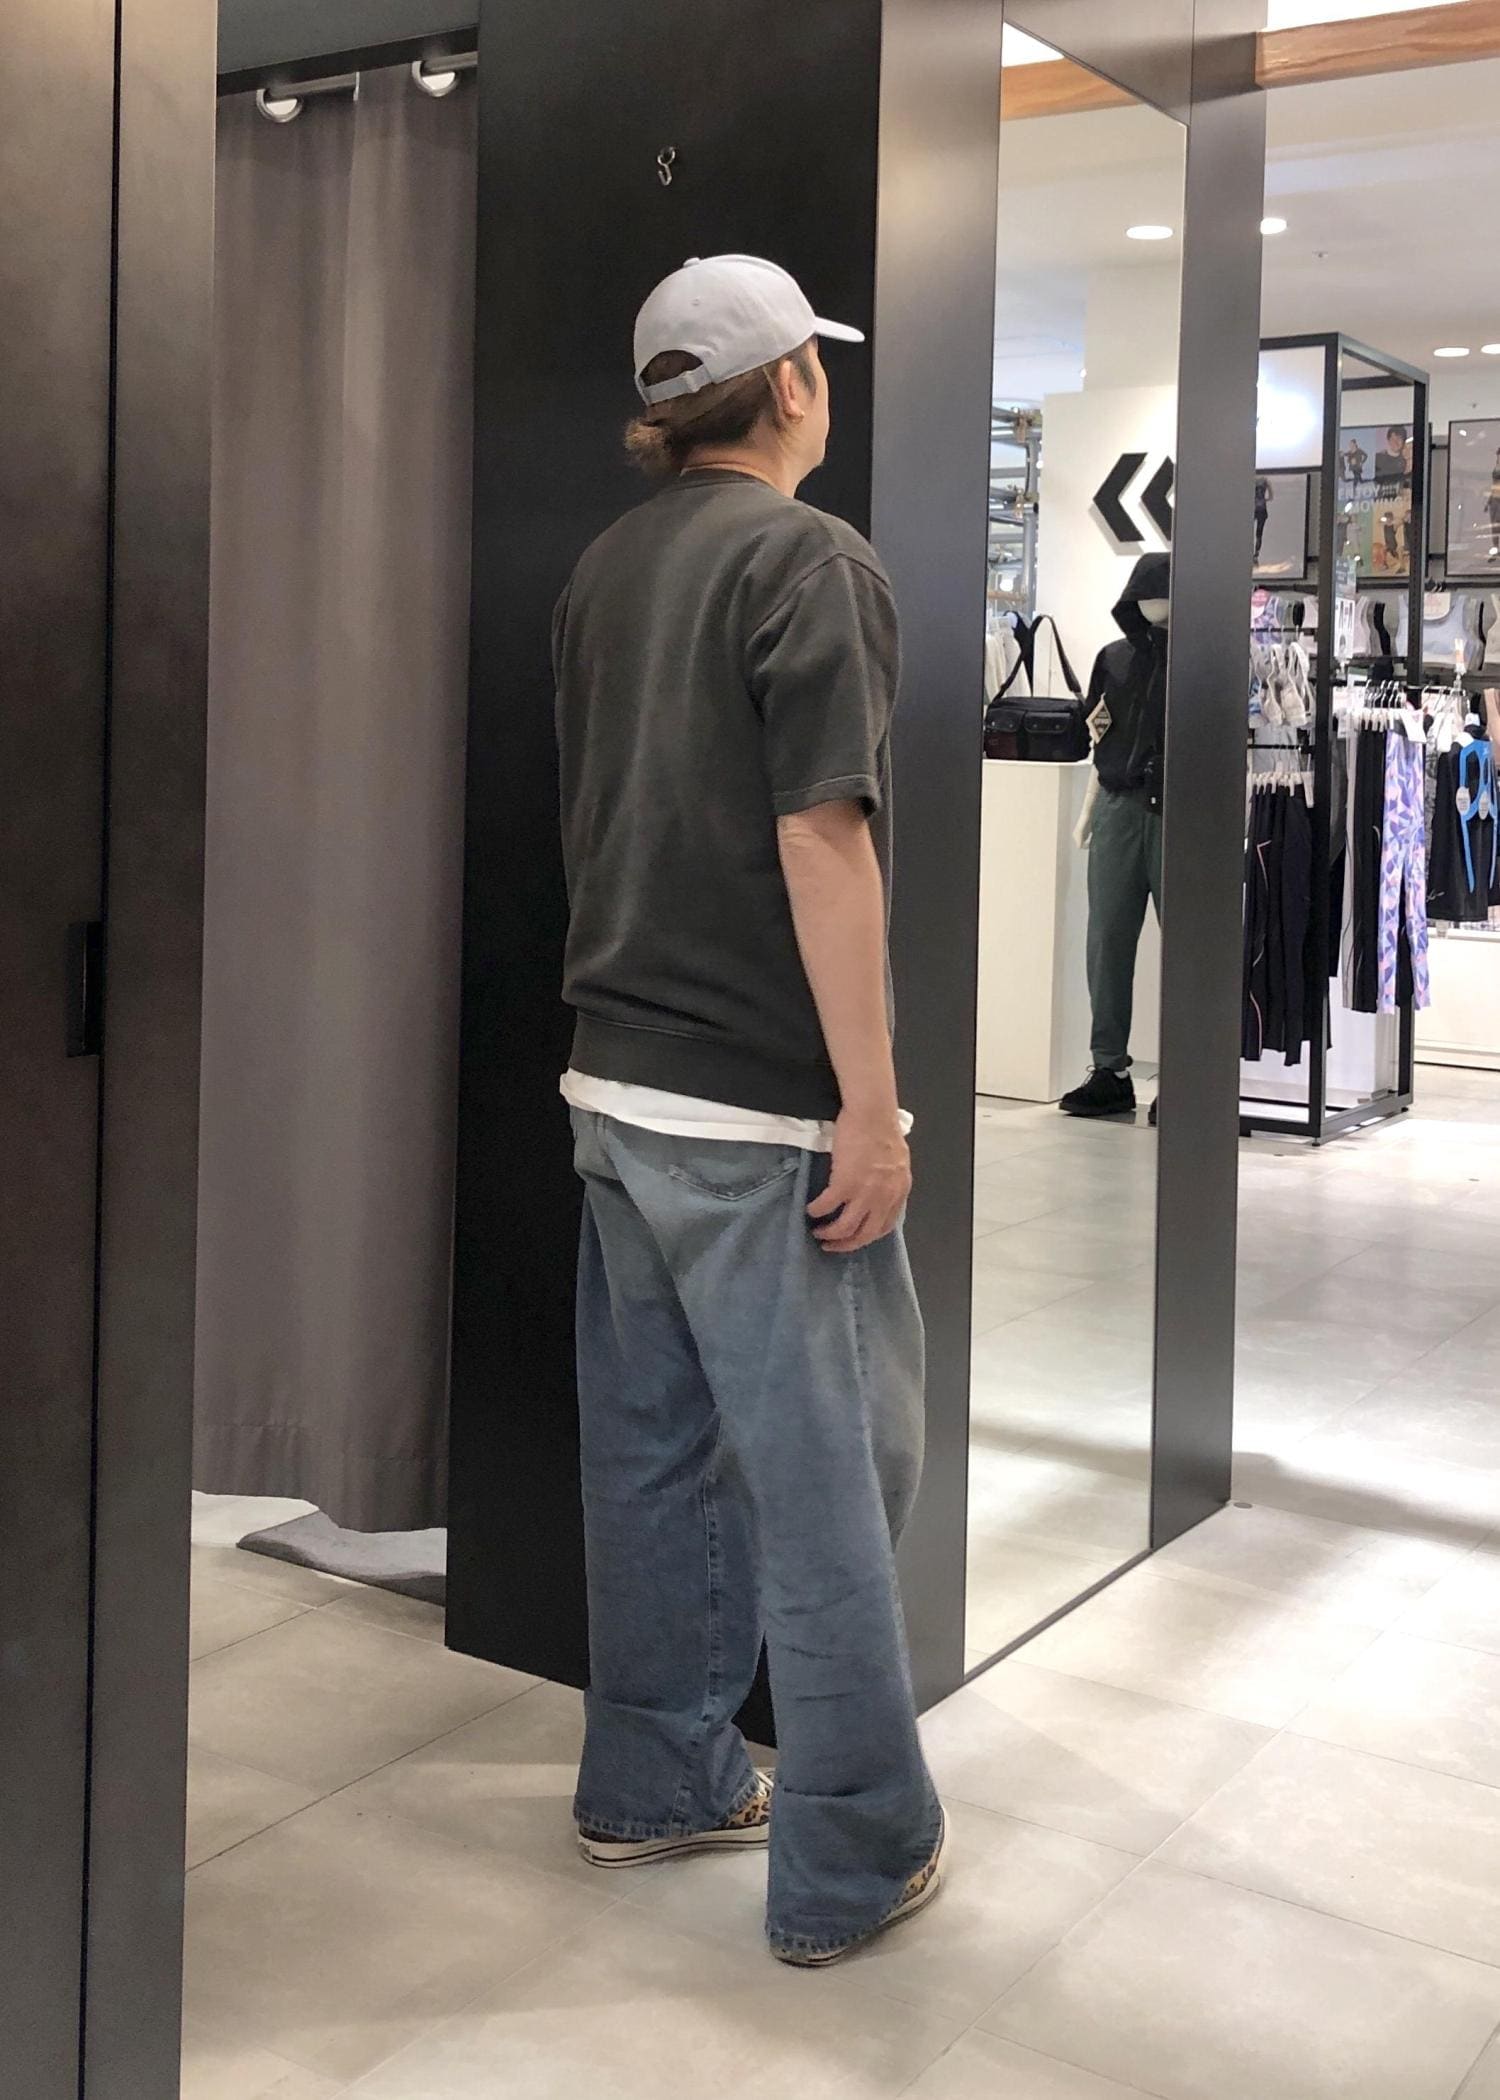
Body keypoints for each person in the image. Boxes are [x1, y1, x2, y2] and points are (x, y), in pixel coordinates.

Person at [551, 254, 944, 1969]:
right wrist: (872, 1107)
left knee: (654, 1458)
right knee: (835, 1473)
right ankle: (854, 1851)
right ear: (791, 383)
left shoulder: (608, 567)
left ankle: (655, 1783)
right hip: (753, 1105)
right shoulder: (810, 560)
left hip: (614, 1082)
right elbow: (821, 836)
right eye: (818, 367)